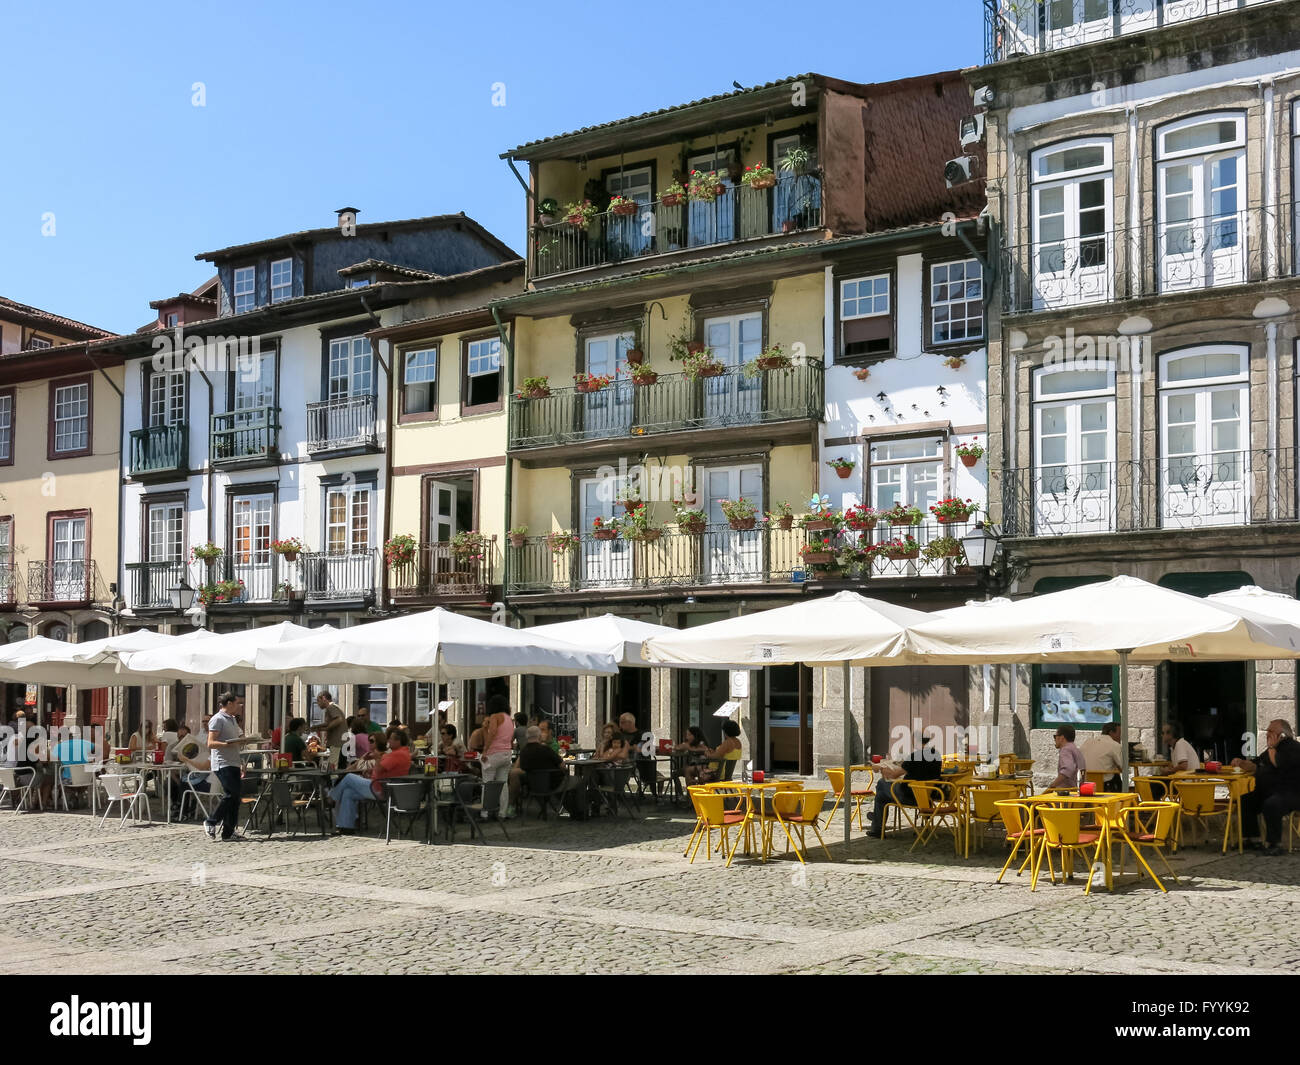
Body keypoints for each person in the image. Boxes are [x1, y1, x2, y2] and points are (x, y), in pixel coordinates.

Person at [329, 726, 412, 835]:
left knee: (349, 777)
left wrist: (377, 759)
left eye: (391, 739)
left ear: (398, 741)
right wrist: (370, 769)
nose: (389, 741)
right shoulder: (402, 753)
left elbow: (380, 768)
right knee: (348, 793)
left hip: (382, 788)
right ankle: (346, 827)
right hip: (385, 786)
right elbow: (385, 769)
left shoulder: (397, 755)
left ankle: (331, 798)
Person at [1234, 719, 1300, 855]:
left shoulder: (1293, 748)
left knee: (1271, 804)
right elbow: (1256, 763)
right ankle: (1253, 839)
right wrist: (1241, 763)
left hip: (1290, 793)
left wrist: (1271, 747)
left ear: (1281, 735)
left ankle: (1275, 844)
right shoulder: (1271, 750)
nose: (1267, 734)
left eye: (1270, 731)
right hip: (1269, 791)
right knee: (1246, 800)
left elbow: (1278, 763)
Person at [867, 735, 942, 839]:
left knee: (881, 784)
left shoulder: (915, 756)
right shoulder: (936, 755)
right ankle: (876, 822)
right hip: (928, 797)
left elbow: (893, 775)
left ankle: (877, 826)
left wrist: (879, 768)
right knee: (881, 796)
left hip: (909, 796)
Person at [204, 692, 254, 842]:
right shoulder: (217, 719)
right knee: (230, 795)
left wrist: (242, 755)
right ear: (229, 703)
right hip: (222, 763)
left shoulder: (232, 720)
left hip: (233, 762)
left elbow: (236, 741)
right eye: (238, 703)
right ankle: (211, 821)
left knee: (235, 798)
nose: (240, 706)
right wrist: (227, 744)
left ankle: (228, 831)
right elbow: (210, 743)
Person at [508, 725, 577, 811]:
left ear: (527, 737)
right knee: (579, 781)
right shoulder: (546, 750)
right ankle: (579, 811)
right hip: (554, 784)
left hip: (533, 786)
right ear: (539, 736)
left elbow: (518, 768)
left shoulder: (524, 752)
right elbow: (562, 766)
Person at [479, 695, 515, 820]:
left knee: (487, 782)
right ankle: (502, 812)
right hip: (507, 754)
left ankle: (485, 813)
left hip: (494, 753)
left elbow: (492, 733)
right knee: (503, 783)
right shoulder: (509, 719)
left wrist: (485, 751)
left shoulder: (495, 717)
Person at [1080, 722, 1124, 792]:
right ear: (1111, 732)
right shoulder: (1115, 745)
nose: (1120, 737)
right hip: (1105, 785)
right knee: (1116, 776)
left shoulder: (1087, 742)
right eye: (1119, 734)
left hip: (1086, 783)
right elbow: (1122, 767)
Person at [316, 692, 346, 769]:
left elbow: (338, 720)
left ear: (324, 698)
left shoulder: (331, 707)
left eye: (318, 701)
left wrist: (327, 728)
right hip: (339, 743)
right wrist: (317, 727)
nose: (317, 703)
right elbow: (328, 723)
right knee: (337, 767)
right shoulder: (335, 707)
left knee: (333, 768)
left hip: (336, 743)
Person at [1049, 725, 1085, 790]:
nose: (1054, 740)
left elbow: (1068, 770)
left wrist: (1053, 785)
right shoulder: (1076, 750)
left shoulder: (1065, 750)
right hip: (1076, 790)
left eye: (1055, 736)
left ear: (1062, 738)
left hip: (1066, 792)